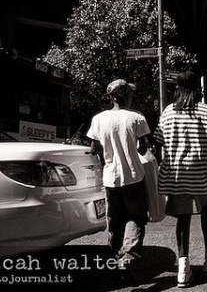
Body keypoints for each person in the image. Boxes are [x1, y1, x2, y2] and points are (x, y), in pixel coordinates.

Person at [154, 71, 207, 288]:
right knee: (206, 212)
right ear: (197, 88)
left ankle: (183, 269)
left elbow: (160, 139)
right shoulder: (206, 111)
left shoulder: (168, 112)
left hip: (177, 173)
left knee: (183, 218)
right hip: (201, 172)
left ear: (177, 88)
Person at [86, 79, 150, 274]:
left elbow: (93, 148)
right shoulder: (136, 117)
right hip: (133, 176)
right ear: (127, 96)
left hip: (110, 178)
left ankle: (114, 257)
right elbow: (143, 148)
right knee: (136, 217)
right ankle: (129, 256)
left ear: (111, 96)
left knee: (115, 220)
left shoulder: (98, 119)